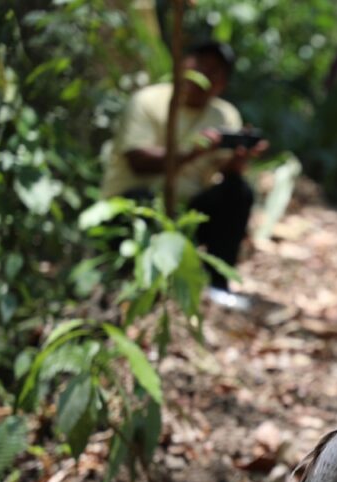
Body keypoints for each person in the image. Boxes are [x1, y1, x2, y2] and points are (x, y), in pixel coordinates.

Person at [100, 40, 267, 310]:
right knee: (140, 200)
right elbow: (138, 162)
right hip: (134, 204)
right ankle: (129, 284)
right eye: (200, 64)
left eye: (215, 72)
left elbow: (222, 175)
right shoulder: (148, 101)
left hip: (185, 211)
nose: (204, 75)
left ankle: (218, 285)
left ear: (223, 84)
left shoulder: (224, 115)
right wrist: (194, 151)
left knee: (238, 191)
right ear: (182, 64)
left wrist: (237, 162)